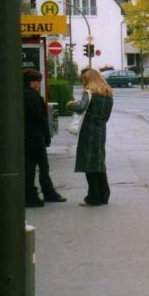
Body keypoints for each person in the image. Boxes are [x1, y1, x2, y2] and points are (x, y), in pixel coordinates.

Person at [68, 68, 114, 206]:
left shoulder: (88, 93)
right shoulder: (108, 94)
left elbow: (81, 108)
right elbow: (107, 116)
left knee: (89, 163)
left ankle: (93, 197)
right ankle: (104, 195)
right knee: (99, 162)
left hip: (88, 130)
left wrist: (70, 104)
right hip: (101, 130)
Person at [23, 68, 66, 207]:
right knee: (42, 166)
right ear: (33, 82)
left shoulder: (19, 95)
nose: (39, 84)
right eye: (38, 81)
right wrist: (47, 136)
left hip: (25, 136)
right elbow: (41, 118)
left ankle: (33, 193)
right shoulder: (34, 96)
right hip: (35, 136)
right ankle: (45, 193)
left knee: (29, 166)